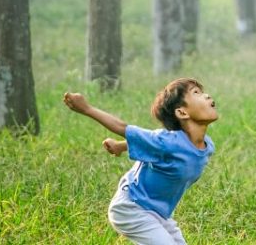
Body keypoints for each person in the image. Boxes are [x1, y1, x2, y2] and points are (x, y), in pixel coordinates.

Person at [63, 79, 218, 244]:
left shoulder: (207, 147)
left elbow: (153, 148)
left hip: (159, 213)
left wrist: (120, 146)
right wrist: (86, 108)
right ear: (182, 113)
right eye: (196, 93)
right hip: (132, 207)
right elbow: (124, 128)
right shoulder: (167, 141)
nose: (206, 95)